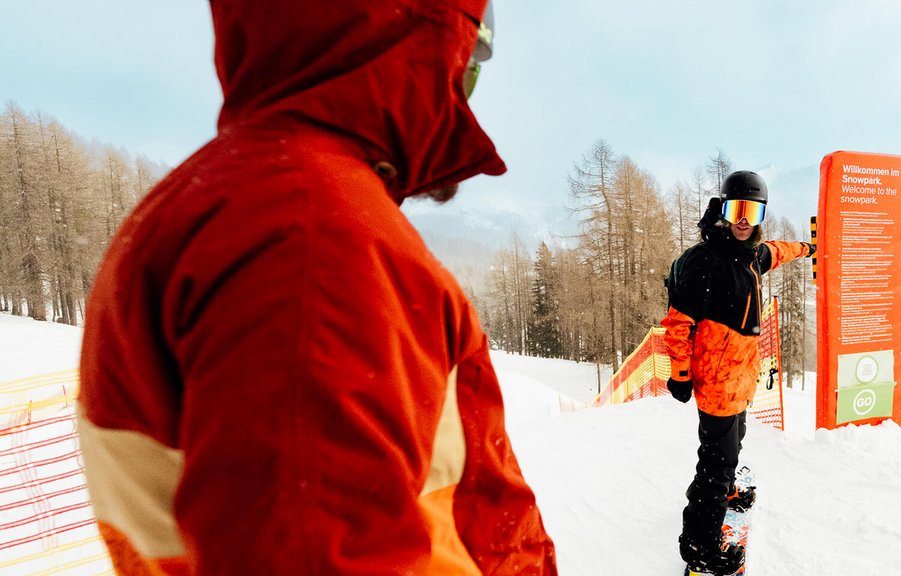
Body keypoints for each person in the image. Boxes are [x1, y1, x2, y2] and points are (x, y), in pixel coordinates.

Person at [76, 1, 558, 574]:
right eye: (470, 58)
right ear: (411, 36)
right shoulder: (307, 240)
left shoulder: (242, 203)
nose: (463, 95)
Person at [661, 170, 814, 574]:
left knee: (733, 444)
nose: (744, 220)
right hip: (715, 386)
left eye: (753, 210)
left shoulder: (752, 256)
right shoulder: (704, 261)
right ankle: (700, 549)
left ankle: (726, 491)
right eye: (736, 210)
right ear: (723, 211)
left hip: (741, 380)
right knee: (714, 467)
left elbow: (777, 251)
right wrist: (679, 374)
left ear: (761, 214)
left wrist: (806, 247)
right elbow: (677, 324)